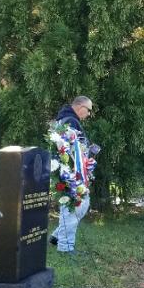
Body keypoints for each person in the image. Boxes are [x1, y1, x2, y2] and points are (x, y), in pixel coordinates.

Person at [51, 95, 94, 255]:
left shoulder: (64, 120)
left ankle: (57, 236)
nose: (89, 114)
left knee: (81, 206)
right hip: (71, 174)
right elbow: (71, 149)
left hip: (68, 171)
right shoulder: (70, 121)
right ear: (80, 106)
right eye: (88, 110)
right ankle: (65, 247)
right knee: (73, 207)